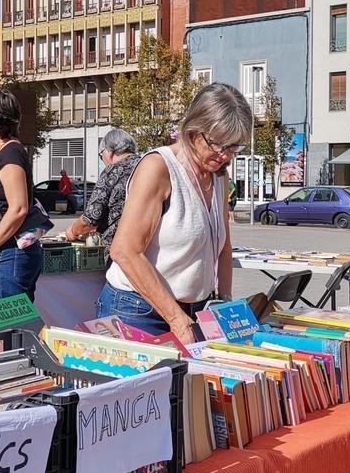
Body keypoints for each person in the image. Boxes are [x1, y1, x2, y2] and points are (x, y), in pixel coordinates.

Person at [103, 83, 253, 342]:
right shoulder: (158, 167)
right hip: (139, 310)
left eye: (233, 147)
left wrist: (224, 301)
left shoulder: (218, 175)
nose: (223, 155)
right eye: (216, 143)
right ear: (194, 130)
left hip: (192, 309)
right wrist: (176, 318)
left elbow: (224, 247)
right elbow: (124, 251)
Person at [0, 88, 49, 301]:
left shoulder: (10, 153)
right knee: (14, 326)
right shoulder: (10, 152)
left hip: (9, 253)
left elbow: (18, 208)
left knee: (9, 328)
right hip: (9, 251)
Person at [64, 128, 141, 264]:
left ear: (109, 151)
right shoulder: (147, 165)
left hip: (120, 250)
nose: (102, 160)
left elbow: (91, 218)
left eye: (101, 156)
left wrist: (73, 231)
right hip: (149, 246)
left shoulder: (112, 171)